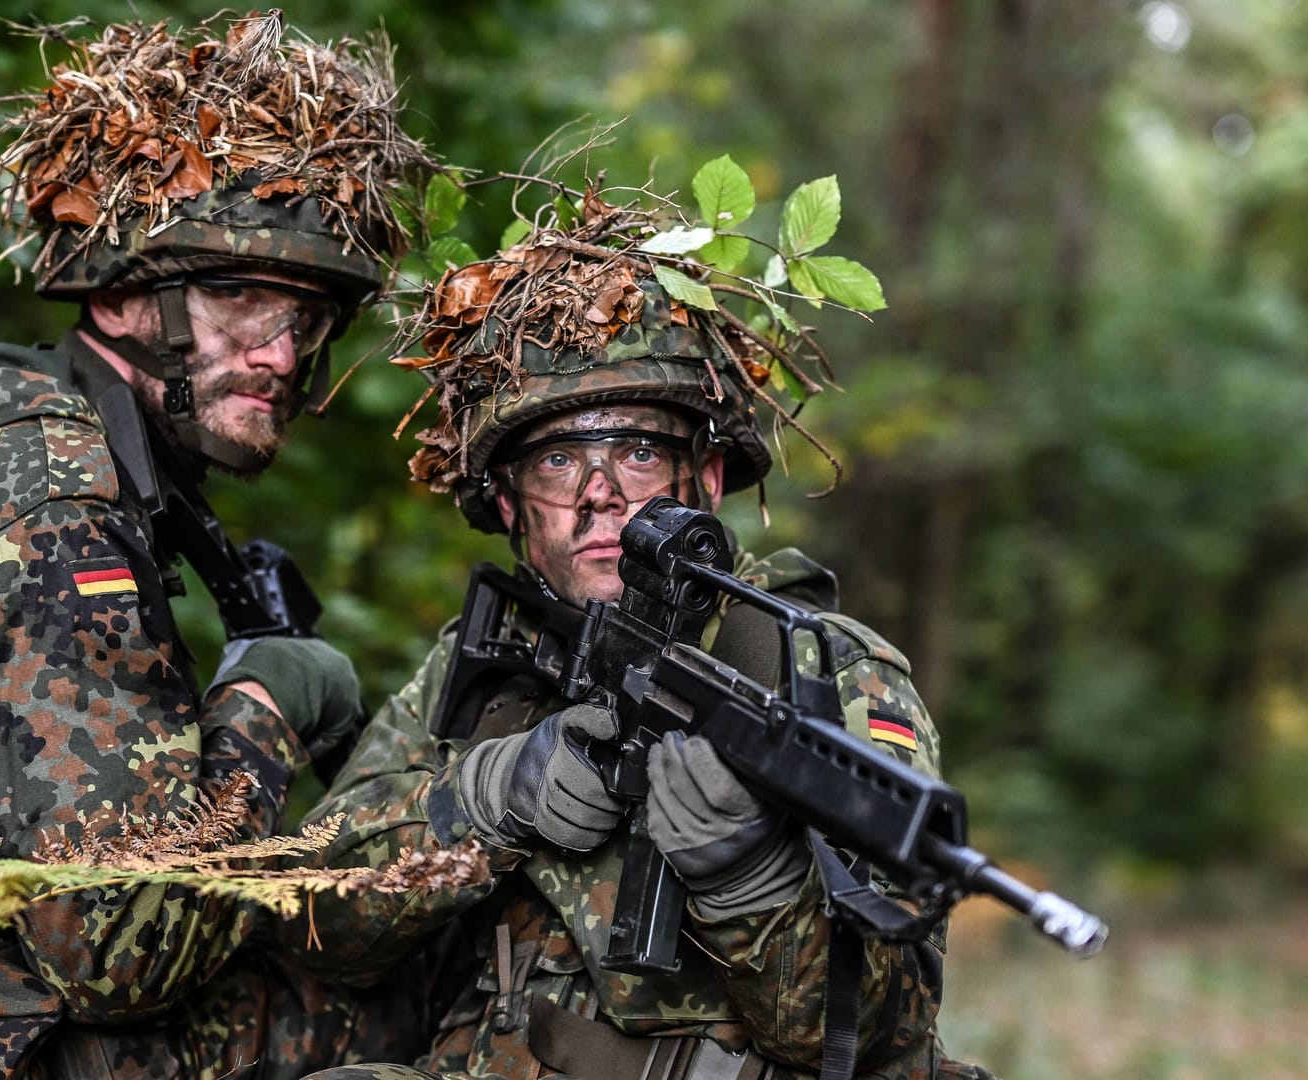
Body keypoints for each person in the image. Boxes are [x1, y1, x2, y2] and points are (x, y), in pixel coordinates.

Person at [0, 14, 432, 1077]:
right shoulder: (56, 507)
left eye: (307, 320)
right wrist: (269, 702)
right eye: (242, 299)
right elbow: (119, 949)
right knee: (416, 1009)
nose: (282, 352)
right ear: (123, 296)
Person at [290, 194, 996, 1079]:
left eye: (636, 454)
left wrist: (752, 885)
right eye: (556, 461)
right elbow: (313, 926)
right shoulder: (476, 669)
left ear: (703, 479)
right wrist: (476, 804)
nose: (598, 496)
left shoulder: (816, 667)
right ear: (509, 505)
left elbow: (885, 1037)